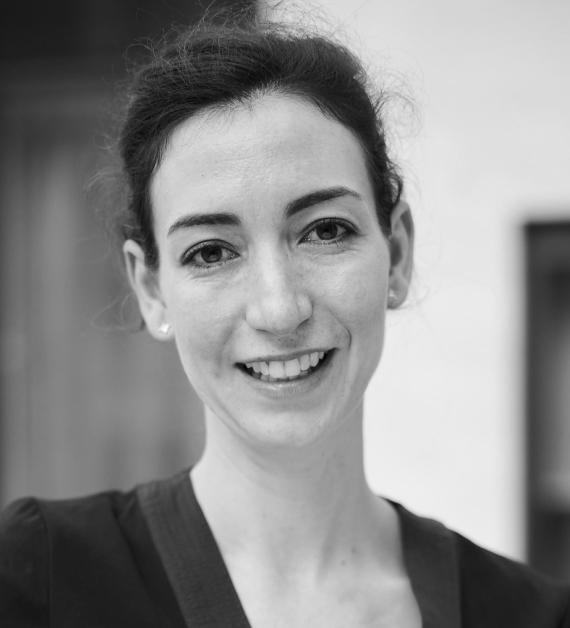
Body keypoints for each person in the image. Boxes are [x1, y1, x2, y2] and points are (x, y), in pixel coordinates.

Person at [0, 9, 569, 628]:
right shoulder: (38, 581)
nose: (279, 309)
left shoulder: (529, 615)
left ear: (398, 253)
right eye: (211, 252)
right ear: (151, 289)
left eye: (325, 231)